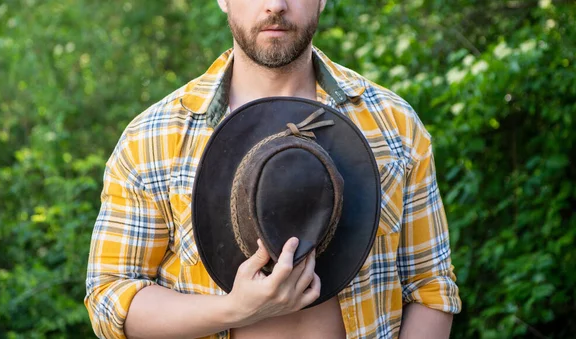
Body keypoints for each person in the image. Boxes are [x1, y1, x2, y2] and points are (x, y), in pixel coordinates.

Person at [84, 0, 462, 338]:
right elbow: (110, 296)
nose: (275, 5)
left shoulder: (393, 124)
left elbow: (431, 286)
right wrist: (235, 310)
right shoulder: (151, 138)